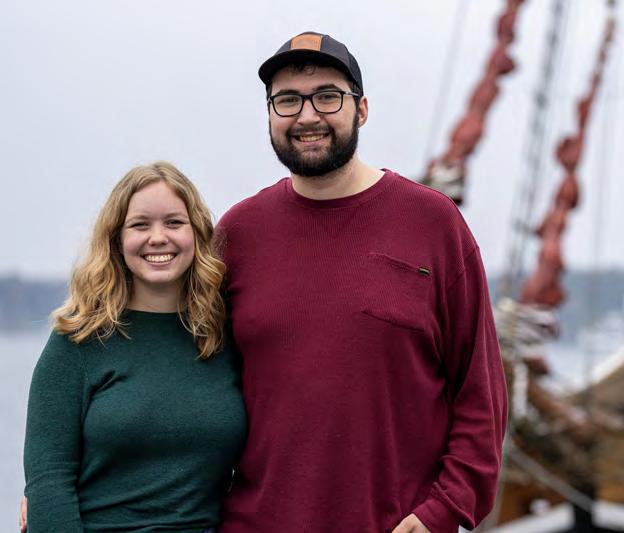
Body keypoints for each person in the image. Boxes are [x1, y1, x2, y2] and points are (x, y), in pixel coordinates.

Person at [217, 32, 508, 533]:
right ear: (269, 115)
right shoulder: (237, 235)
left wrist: (443, 509)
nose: (307, 116)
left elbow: (480, 390)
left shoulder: (432, 223)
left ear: (362, 109)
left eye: (327, 96)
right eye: (287, 101)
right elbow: (192, 388)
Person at [22, 162, 247, 533]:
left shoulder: (224, 337)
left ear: (196, 234)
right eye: (140, 225)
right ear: (117, 239)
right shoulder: (77, 339)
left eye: (174, 222)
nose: (157, 237)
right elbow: (48, 481)